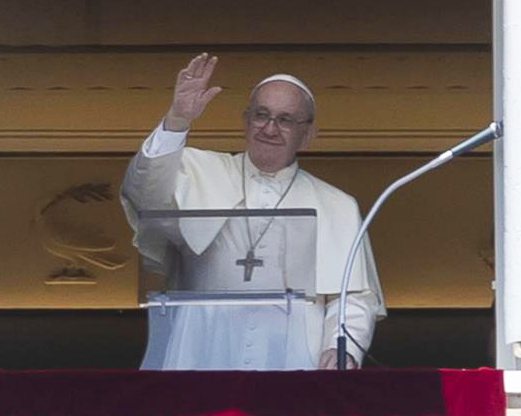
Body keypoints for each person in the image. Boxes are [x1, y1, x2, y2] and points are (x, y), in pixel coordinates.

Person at [121, 53, 385, 370]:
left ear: (307, 135)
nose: (270, 129)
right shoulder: (197, 169)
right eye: (261, 115)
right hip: (203, 345)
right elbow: (143, 194)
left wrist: (340, 347)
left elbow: (353, 295)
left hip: (296, 354)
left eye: (285, 120)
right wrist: (177, 119)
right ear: (246, 121)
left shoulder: (336, 204)